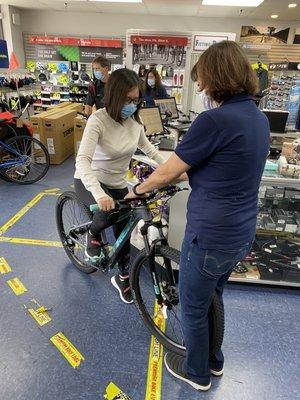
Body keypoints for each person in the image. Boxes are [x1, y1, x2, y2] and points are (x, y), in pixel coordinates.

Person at [126, 41, 270, 391]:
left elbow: (165, 172)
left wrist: (138, 191)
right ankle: (215, 361)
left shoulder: (214, 120)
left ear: (217, 78)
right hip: (241, 233)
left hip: (210, 235)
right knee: (213, 297)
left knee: (191, 305)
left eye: (203, 82)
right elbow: (228, 167)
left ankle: (197, 373)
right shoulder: (258, 118)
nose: (202, 90)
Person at [75, 68, 165, 304]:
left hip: (116, 184)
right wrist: (98, 193)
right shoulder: (98, 120)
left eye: (137, 100)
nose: (133, 105)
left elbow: (150, 150)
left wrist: (173, 171)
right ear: (115, 96)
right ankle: (93, 235)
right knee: (108, 212)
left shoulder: (135, 122)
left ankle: (123, 276)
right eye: (128, 100)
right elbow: (82, 160)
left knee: (124, 232)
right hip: (91, 180)